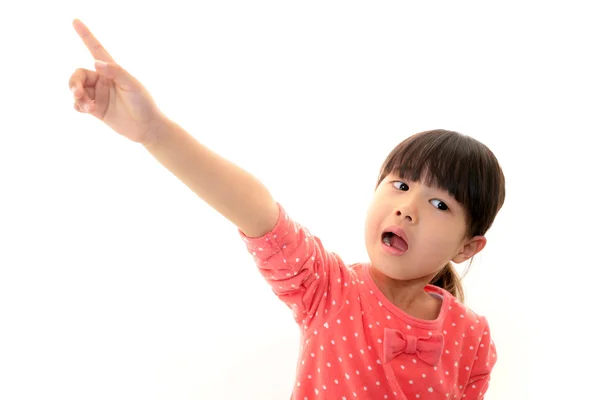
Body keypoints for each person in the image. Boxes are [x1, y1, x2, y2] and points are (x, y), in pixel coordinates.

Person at [68, 18, 505, 400]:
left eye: (438, 203)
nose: (407, 208)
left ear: (468, 246)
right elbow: (258, 213)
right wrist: (156, 132)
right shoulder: (329, 288)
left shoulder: (473, 338)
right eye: (401, 184)